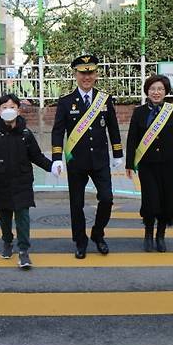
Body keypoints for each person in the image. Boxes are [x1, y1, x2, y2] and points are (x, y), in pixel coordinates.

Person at [51, 54, 123, 259]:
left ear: (96, 74)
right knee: (77, 204)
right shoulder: (66, 102)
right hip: (76, 161)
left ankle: (98, 234)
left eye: (90, 72)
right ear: (75, 74)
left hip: (100, 160)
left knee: (107, 199)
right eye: (82, 73)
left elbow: (113, 128)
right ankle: (80, 241)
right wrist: (57, 157)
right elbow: (58, 131)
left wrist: (118, 153)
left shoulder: (104, 99)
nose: (86, 77)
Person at [0, 94, 54, 269]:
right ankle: (7, 241)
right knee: (4, 219)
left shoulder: (26, 134)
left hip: (22, 183)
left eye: (12, 107)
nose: (8, 110)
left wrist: (53, 167)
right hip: (0, 184)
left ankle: (24, 251)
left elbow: (37, 157)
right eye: (4, 107)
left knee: (23, 218)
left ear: (18, 110)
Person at [125, 75, 173, 252]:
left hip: (167, 164)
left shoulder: (172, 111)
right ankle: (148, 234)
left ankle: (160, 236)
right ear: (147, 91)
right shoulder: (139, 112)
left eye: (160, 89)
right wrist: (129, 164)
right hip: (147, 165)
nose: (156, 92)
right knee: (150, 200)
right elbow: (132, 139)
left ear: (165, 92)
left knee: (166, 200)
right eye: (153, 89)